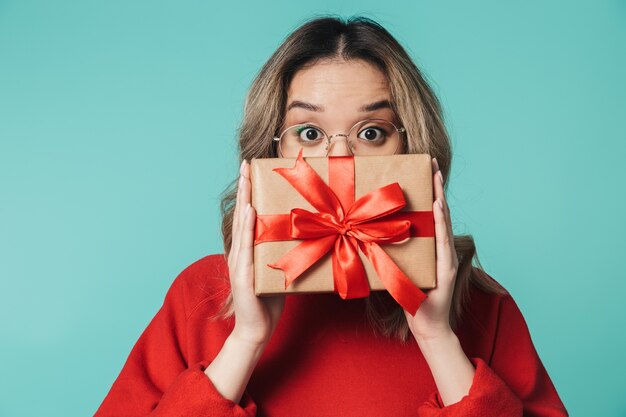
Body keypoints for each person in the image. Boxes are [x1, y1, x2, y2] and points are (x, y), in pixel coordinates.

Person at [93, 16, 569, 417]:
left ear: (413, 146)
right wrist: (246, 341)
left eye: (372, 131)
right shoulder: (200, 295)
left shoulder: (483, 305)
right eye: (309, 132)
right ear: (269, 149)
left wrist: (437, 336)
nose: (340, 161)